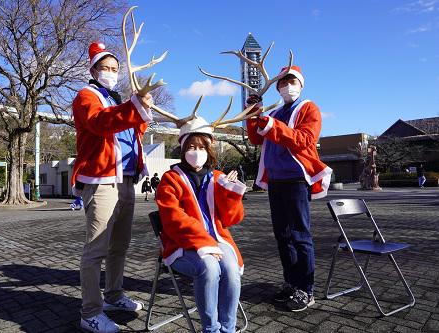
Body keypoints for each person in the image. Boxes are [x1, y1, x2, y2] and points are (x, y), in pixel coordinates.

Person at [71, 41, 154, 333]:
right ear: (92, 69)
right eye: (105, 67)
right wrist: (132, 108)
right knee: (96, 250)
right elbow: (101, 123)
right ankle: (90, 312)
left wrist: (141, 109)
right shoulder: (86, 95)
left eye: (114, 68)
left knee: (119, 246)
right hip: (102, 180)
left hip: (127, 180)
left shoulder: (116, 99)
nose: (111, 72)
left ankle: (114, 295)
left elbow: (133, 132)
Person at [246, 65, 332, 312]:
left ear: (301, 84)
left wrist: (271, 124)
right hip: (275, 180)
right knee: (282, 236)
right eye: (282, 82)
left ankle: (306, 289)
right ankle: (292, 283)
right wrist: (254, 114)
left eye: (291, 81)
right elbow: (256, 139)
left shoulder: (308, 108)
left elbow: (305, 139)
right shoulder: (274, 111)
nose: (286, 85)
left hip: (296, 178)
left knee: (300, 235)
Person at [156, 118, 247, 333]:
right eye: (191, 147)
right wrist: (204, 243)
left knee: (232, 269)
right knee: (209, 267)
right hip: (182, 245)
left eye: (201, 147)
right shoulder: (170, 179)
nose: (196, 152)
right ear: (183, 148)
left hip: (218, 239)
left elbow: (231, 219)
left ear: (209, 149)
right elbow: (173, 218)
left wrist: (230, 194)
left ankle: (228, 328)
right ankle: (211, 329)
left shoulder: (218, 177)